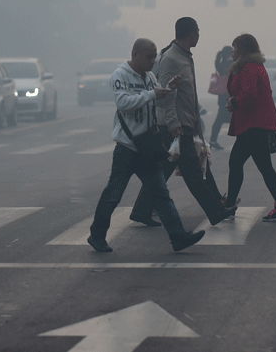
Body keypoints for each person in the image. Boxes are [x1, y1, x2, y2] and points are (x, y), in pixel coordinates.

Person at [87, 38, 206, 253]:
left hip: (147, 148)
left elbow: (158, 103)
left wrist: (169, 90)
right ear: (135, 55)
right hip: (127, 147)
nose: (153, 61)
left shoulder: (150, 77)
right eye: (149, 57)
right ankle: (96, 235)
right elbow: (123, 103)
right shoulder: (120, 75)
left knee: (161, 194)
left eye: (154, 57)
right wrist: (152, 94)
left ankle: (178, 237)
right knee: (113, 194)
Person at [131, 17, 236, 226]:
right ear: (191, 33)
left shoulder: (185, 56)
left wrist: (195, 120)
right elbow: (167, 93)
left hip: (185, 122)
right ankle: (215, 212)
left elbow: (188, 93)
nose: (199, 35)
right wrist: (173, 123)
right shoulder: (171, 58)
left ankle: (142, 210)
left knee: (164, 171)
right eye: (197, 31)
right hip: (175, 126)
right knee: (195, 174)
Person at [224, 33, 276, 222]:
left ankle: (229, 205)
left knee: (238, 162)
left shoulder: (248, 68)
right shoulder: (253, 66)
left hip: (253, 125)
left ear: (243, 49)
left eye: (235, 47)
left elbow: (250, 94)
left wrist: (233, 102)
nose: (232, 50)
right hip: (255, 124)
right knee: (263, 167)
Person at [208, 45, 233, 150]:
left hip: (222, 98)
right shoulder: (230, 64)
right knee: (229, 119)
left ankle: (213, 140)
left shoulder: (220, 63)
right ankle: (213, 141)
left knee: (219, 120)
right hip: (228, 96)